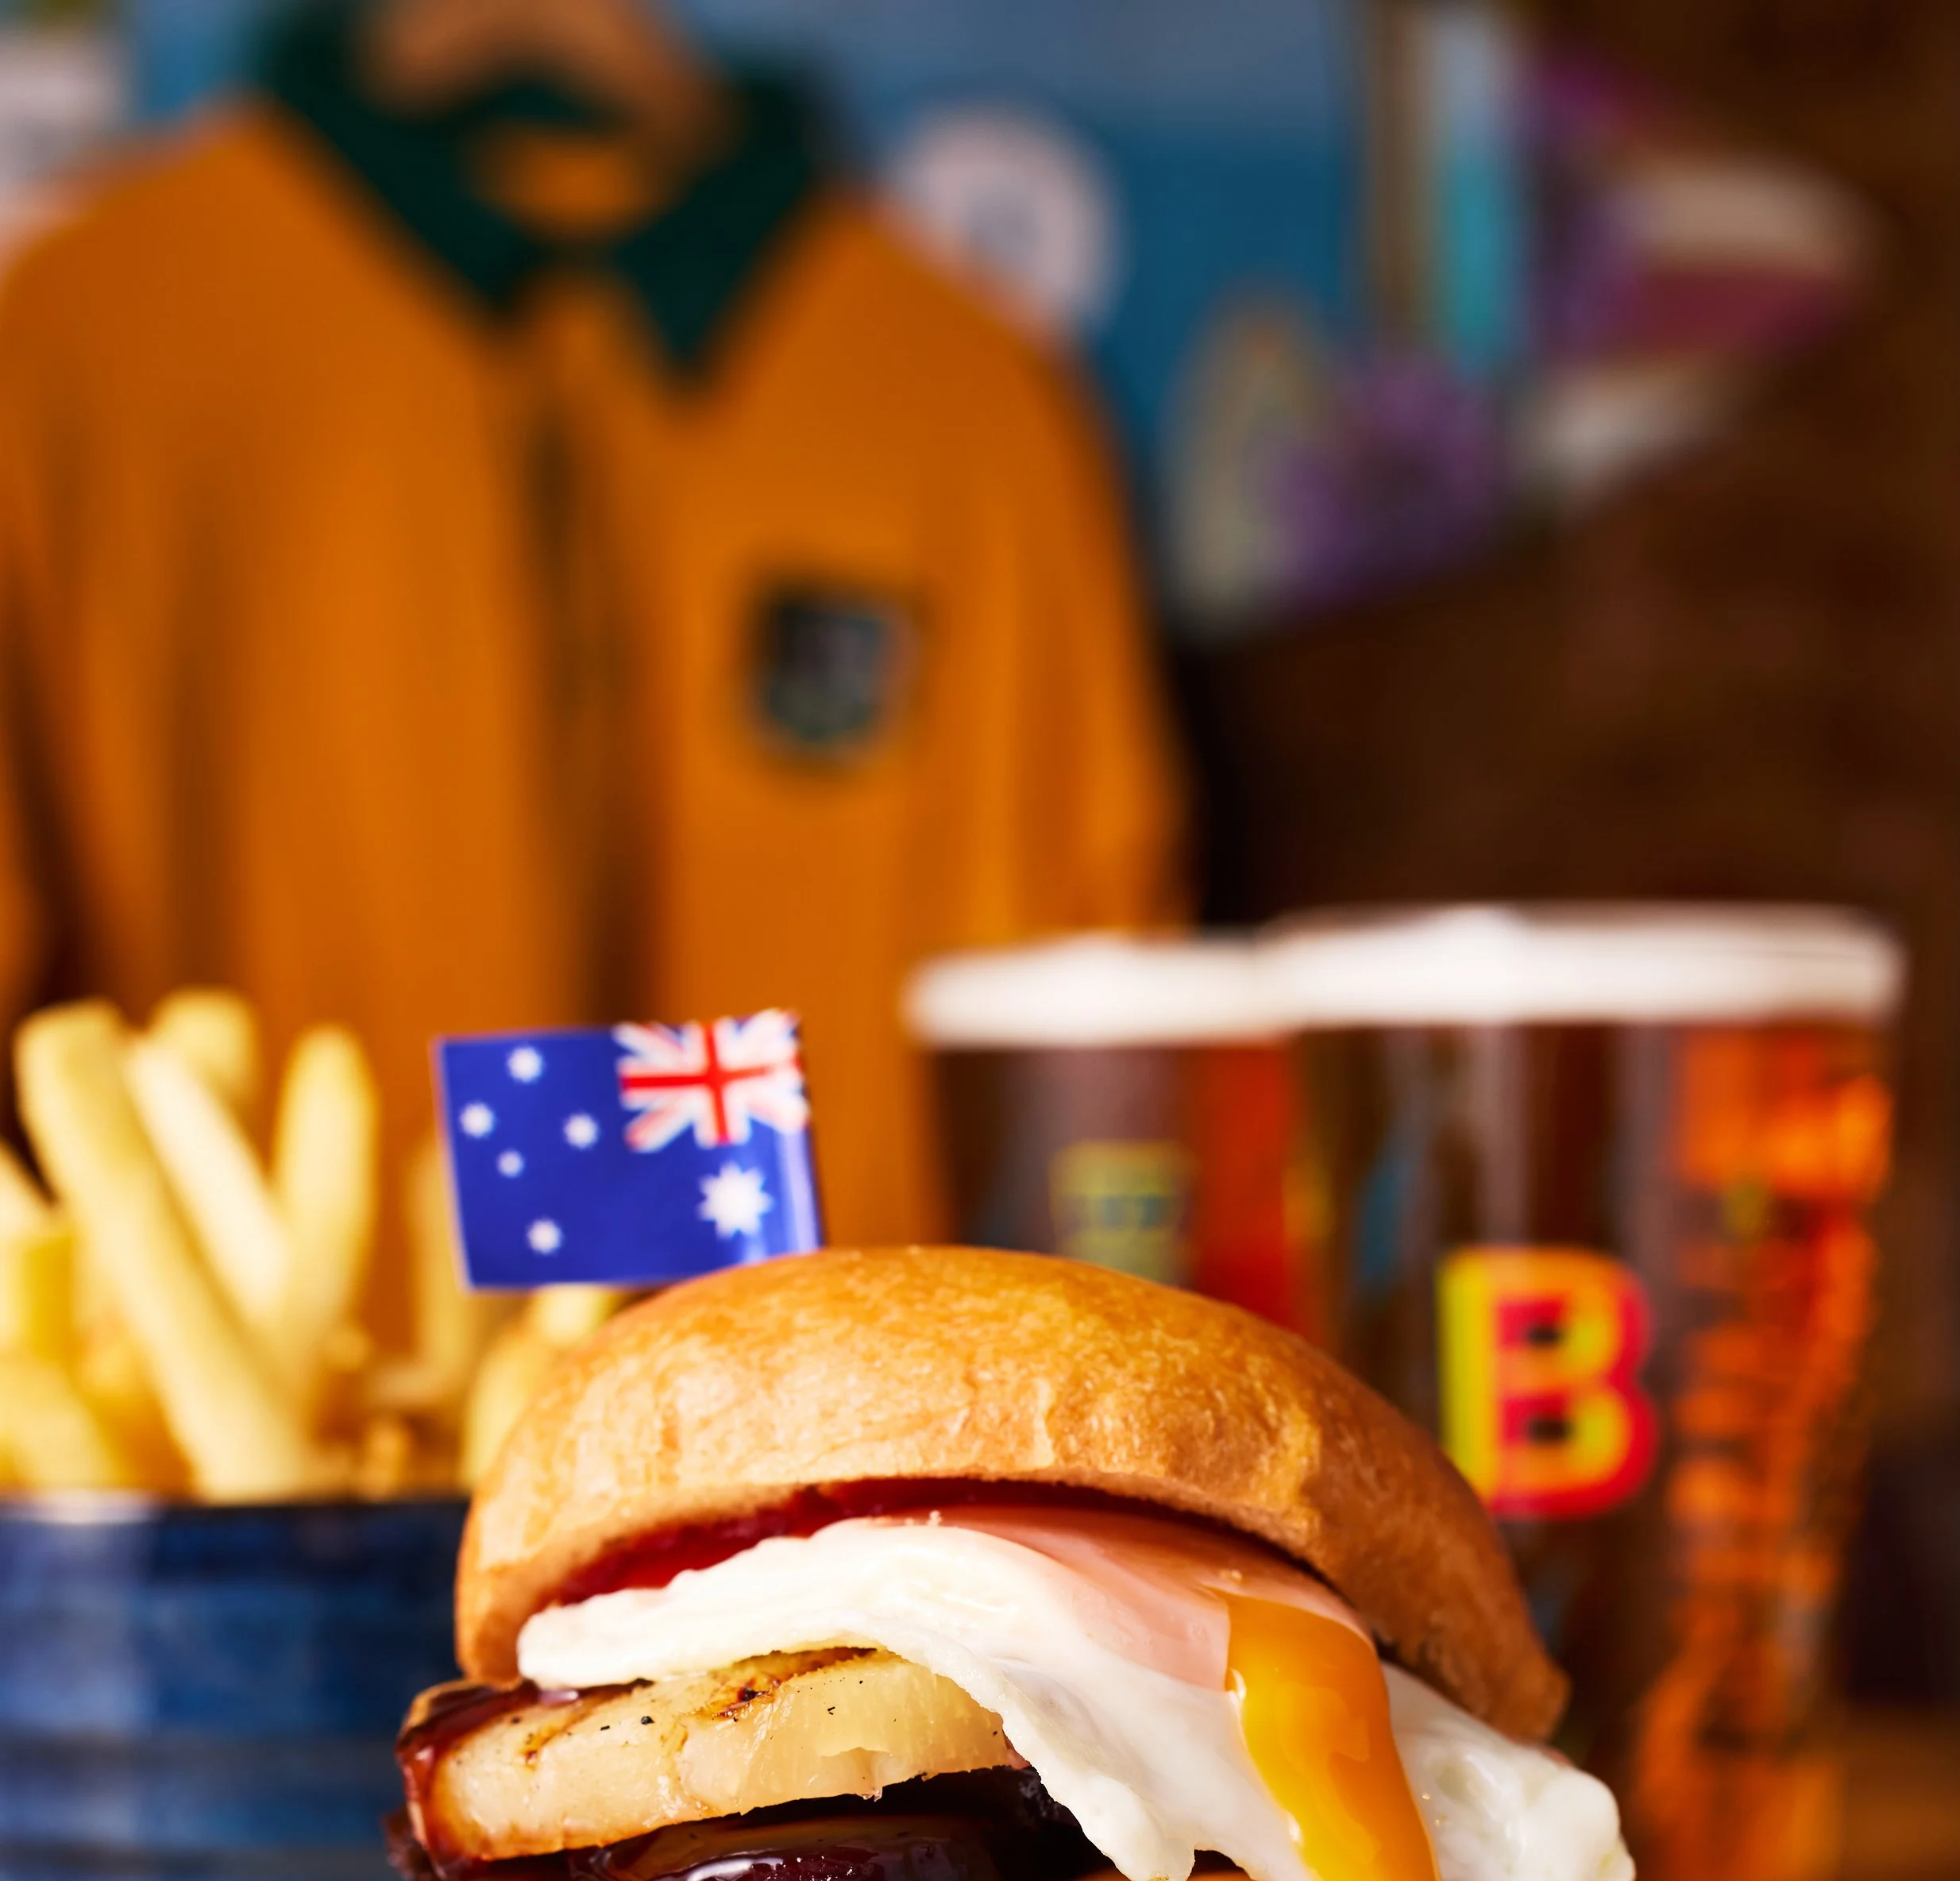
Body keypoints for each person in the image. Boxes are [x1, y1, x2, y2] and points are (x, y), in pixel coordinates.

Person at [0, 0, 1182, 1246]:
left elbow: (1100, 1040)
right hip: (267, 1428)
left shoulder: (971, 405)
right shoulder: (67, 354)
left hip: (854, 1410)